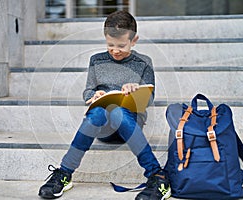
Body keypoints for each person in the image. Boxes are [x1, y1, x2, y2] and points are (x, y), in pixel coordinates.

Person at [38, 10, 171, 200]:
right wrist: (94, 95)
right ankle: (64, 173)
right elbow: (87, 91)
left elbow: (149, 99)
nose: (115, 50)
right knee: (98, 113)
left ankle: (157, 175)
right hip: (102, 128)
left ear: (134, 41)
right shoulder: (96, 60)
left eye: (121, 45)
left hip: (130, 124)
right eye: (110, 45)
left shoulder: (144, 62)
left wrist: (136, 89)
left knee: (116, 112)